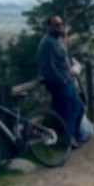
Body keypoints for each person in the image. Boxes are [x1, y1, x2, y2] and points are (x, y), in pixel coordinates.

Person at [38, 16, 82, 145]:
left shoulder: (57, 40)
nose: (60, 27)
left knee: (77, 107)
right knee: (68, 109)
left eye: (61, 24)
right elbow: (48, 66)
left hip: (66, 80)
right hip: (59, 83)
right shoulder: (47, 43)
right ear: (49, 27)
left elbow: (63, 58)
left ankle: (71, 135)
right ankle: (68, 139)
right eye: (56, 25)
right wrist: (61, 80)